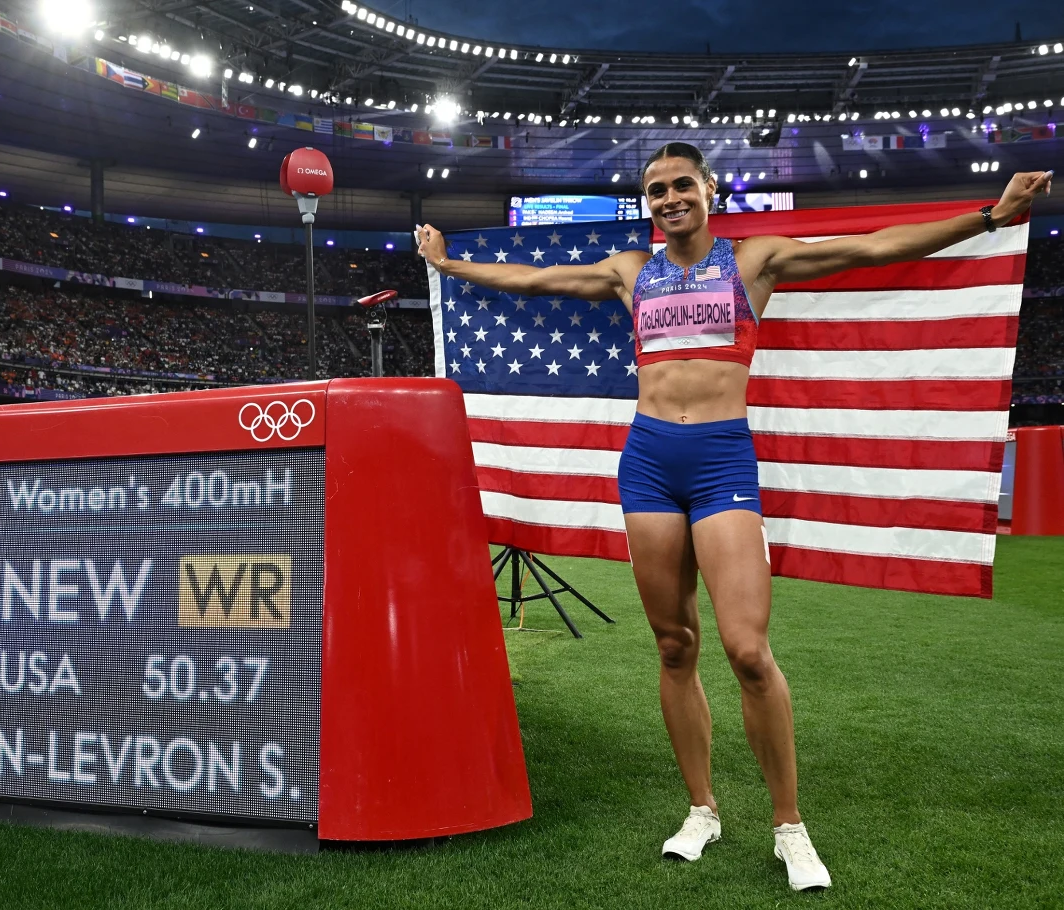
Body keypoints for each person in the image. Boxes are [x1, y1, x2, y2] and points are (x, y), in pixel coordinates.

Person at [416, 145, 1051, 892]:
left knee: (748, 650)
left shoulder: (754, 262)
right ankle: (702, 809)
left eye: (681, 184)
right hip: (649, 460)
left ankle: (790, 826)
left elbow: (874, 248)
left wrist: (991, 216)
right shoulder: (630, 272)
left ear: (708, 190)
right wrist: (450, 267)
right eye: (655, 190)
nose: (669, 197)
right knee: (674, 644)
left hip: (721, 462)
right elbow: (532, 279)